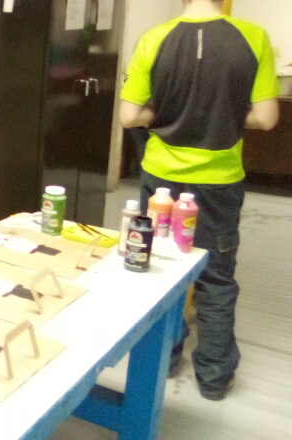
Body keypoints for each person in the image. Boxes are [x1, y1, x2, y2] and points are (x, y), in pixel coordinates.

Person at [119, 0, 279, 400]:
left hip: (161, 180)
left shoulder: (154, 38)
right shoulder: (253, 37)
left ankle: (166, 356)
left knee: (158, 267)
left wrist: (173, 116)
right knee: (217, 276)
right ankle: (214, 376)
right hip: (218, 183)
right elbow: (266, 118)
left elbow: (128, 115)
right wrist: (219, 116)